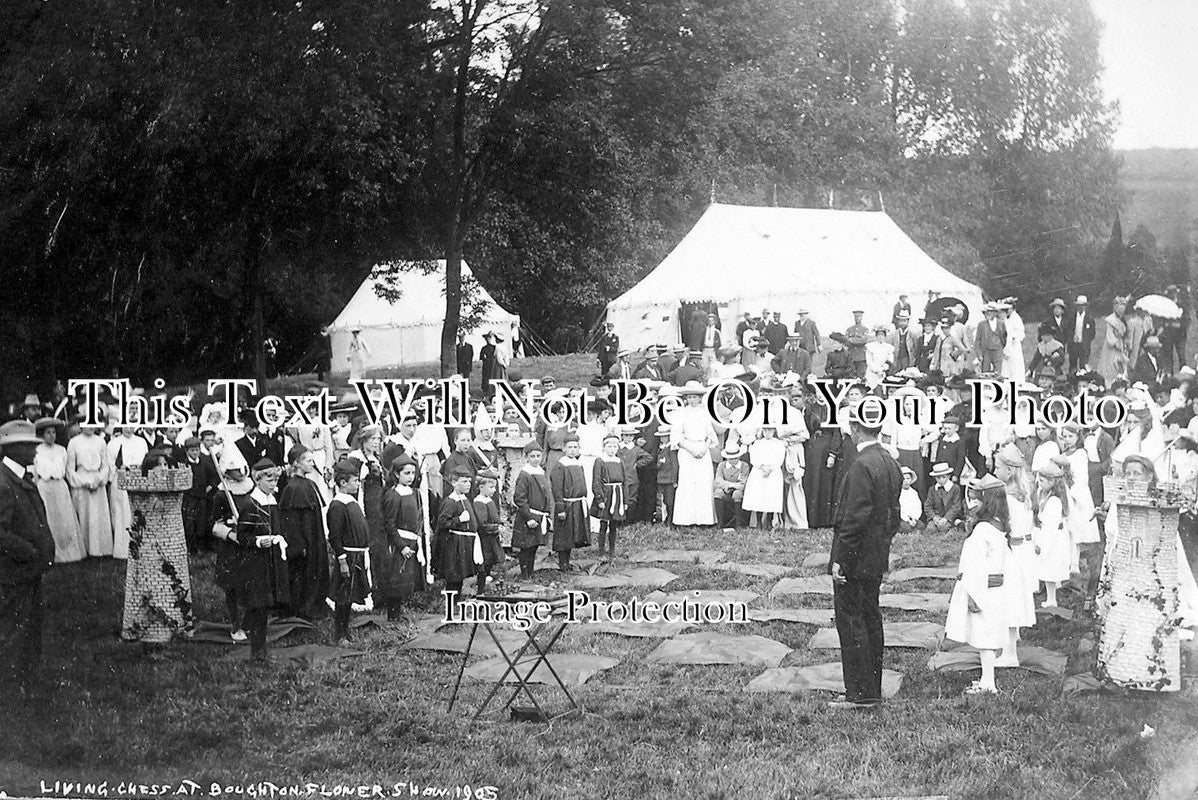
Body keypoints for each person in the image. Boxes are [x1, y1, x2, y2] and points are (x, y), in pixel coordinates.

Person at [828, 409, 901, 709]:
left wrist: (840, 559)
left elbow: (854, 518)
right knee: (871, 619)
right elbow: (894, 516)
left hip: (855, 558)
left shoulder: (861, 465)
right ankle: (869, 688)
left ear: (855, 428)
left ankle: (860, 694)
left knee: (852, 623)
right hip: (875, 555)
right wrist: (881, 544)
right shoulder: (889, 461)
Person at [0, 420, 56, 700]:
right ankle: (11, 688)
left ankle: (26, 683)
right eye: (29, 445)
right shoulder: (3, 483)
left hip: (28, 571)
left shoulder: (20, 477)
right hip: (14, 572)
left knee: (29, 628)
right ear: (13, 449)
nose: (35, 450)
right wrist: (29, 552)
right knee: (13, 629)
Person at [215, 458, 290, 662]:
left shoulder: (271, 501)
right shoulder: (251, 505)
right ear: (257, 480)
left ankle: (261, 649)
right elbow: (242, 536)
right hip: (255, 563)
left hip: (270, 561)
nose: (273, 485)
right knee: (258, 606)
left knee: (265, 606)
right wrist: (257, 541)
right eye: (269, 481)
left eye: (275, 481)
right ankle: (257, 652)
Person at [944, 475, 1011, 695]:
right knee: (987, 634)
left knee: (985, 636)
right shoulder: (999, 524)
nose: (972, 503)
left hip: (982, 587)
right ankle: (986, 678)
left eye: (976, 499)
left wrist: (972, 594)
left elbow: (975, 564)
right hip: (994, 587)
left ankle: (988, 682)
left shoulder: (983, 529)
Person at [993, 444, 1037, 667]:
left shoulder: (1008, 496)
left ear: (1009, 470)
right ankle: (1012, 639)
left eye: (997, 467)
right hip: (1022, 550)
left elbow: (1004, 527)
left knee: (1009, 599)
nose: (994, 471)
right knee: (1015, 597)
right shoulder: (1023, 491)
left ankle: (1010, 654)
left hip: (1013, 551)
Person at [278, 445, 329, 621]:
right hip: (305, 539)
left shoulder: (310, 483)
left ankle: (317, 604)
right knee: (304, 573)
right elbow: (291, 521)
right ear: (296, 463)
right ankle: (305, 608)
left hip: (314, 535)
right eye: (308, 460)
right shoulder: (293, 488)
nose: (312, 464)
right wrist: (299, 544)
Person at [327, 459, 371, 644]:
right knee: (343, 597)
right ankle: (340, 635)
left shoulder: (351, 501)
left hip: (357, 556)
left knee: (350, 596)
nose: (358, 484)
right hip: (348, 557)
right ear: (343, 483)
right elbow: (334, 536)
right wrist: (343, 560)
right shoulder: (337, 506)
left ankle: (345, 631)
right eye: (355, 480)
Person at [31, 418, 83, 563]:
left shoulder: (61, 450)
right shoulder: (37, 450)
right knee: (48, 518)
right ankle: (51, 553)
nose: (51, 435)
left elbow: (65, 468)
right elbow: (35, 472)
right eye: (48, 433)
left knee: (64, 519)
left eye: (53, 432)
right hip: (44, 486)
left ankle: (68, 553)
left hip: (60, 486)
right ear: (42, 434)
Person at [670, 382, 717, 527]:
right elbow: (676, 436)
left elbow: (711, 435)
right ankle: (686, 519)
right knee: (688, 483)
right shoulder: (680, 413)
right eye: (689, 397)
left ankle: (704, 520)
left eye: (695, 397)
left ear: (700, 398)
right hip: (687, 450)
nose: (692, 400)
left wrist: (704, 448)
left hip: (703, 450)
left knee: (703, 483)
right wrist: (691, 449)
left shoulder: (705, 413)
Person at [1032, 461, 1071, 608]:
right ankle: (1050, 597)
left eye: (1042, 481)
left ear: (1051, 482)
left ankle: (1052, 599)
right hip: (1047, 533)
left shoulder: (1054, 501)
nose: (1039, 484)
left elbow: (1051, 527)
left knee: (1051, 568)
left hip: (1054, 538)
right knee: (1048, 569)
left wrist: (1043, 546)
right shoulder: (1044, 494)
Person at [512, 441, 552, 579]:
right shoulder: (525, 474)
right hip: (528, 516)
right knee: (526, 547)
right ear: (526, 457)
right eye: (532, 456)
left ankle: (530, 572)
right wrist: (528, 517)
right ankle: (525, 575)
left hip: (539, 516)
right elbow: (519, 498)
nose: (536, 459)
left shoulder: (541, 472)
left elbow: (546, 495)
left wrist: (547, 514)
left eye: (538, 456)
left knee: (534, 546)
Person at [550, 434, 589, 572]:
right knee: (564, 536)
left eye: (575, 447)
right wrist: (560, 507)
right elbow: (557, 488)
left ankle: (567, 562)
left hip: (577, 504)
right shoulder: (560, 466)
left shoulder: (578, 464)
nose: (573, 450)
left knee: (572, 535)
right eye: (570, 447)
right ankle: (563, 564)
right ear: (564, 448)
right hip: (566, 505)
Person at [473, 469, 504, 592]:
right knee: (485, 557)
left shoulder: (489, 500)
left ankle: (488, 575)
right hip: (485, 536)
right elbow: (482, 523)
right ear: (481, 487)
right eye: (491, 487)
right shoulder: (479, 502)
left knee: (491, 557)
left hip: (492, 536)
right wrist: (495, 528)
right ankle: (482, 579)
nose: (494, 490)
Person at [1097, 294, 1130, 383]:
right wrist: (1116, 343)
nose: (1122, 311)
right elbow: (1110, 336)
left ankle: (1120, 382)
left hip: (1121, 346)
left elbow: (1125, 334)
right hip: (1112, 347)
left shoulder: (1122, 320)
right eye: (1120, 309)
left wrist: (1125, 342)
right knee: (1112, 366)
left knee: (1121, 366)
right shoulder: (1110, 320)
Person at [923, 462, 963, 532]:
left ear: (948, 476)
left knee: (944, 528)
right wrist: (934, 517)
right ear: (935, 478)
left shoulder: (955, 488)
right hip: (936, 517)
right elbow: (928, 506)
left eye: (943, 477)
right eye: (938, 477)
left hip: (950, 517)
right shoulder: (932, 489)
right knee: (930, 529)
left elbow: (956, 506)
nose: (941, 480)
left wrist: (946, 518)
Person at [1064, 295, 1096, 372]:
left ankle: (1082, 377)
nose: (1081, 307)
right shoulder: (1072, 317)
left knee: (1083, 366)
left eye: (1083, 305)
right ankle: (1072, 377)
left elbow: (1092, 333)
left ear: (1086, 306)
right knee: (1072, 366)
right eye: (1079, 305)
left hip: (1084, 346)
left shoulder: (1089, 318)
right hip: (1073, 345)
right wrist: (1070, 340)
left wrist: (1085, 341)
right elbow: (1068, 330)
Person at [974, 303, 1007, 375]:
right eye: (987, 311)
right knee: (985, 373)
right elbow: (977, 341)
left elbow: (1004, 338)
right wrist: (979, 354)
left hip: (997, 351)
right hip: (986, 352)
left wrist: (1000, 348)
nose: (988, 313)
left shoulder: (1001, 323)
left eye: (990, 311)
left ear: (995, 313)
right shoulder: (981, 324)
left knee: (997, 373)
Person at [1000, 299, 1026, 381]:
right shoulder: (1007, 319)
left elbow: (1021, 333)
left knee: (1015, 365)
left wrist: (1013, 336)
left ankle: (1017, 380)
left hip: (1014, 345)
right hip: (1007, 344)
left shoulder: (1016, 318)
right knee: (1006, 366)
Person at [844, 311, 870, 378]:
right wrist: (857, 339)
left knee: (861, 377)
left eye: (859, 316)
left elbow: (864, 341)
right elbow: (845, 341)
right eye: (855, 317)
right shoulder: (849, 329)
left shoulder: (865, 329)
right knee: (850, 376)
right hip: (851, 356)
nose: (857, 318)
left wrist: (851, 339)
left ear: (861, 317)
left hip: (861, 357)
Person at [898, 467, 921, 532]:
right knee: (907, 528)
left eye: (908, 478)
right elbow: (899, 509)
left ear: (911, 479)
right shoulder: (898, 492)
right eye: (903, 479)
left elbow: (918, 507)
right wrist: (907, 519)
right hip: (902, 518)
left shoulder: (914, 492)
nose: (906, 481)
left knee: (922, 526)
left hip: (912, 517)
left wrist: (915, 518)